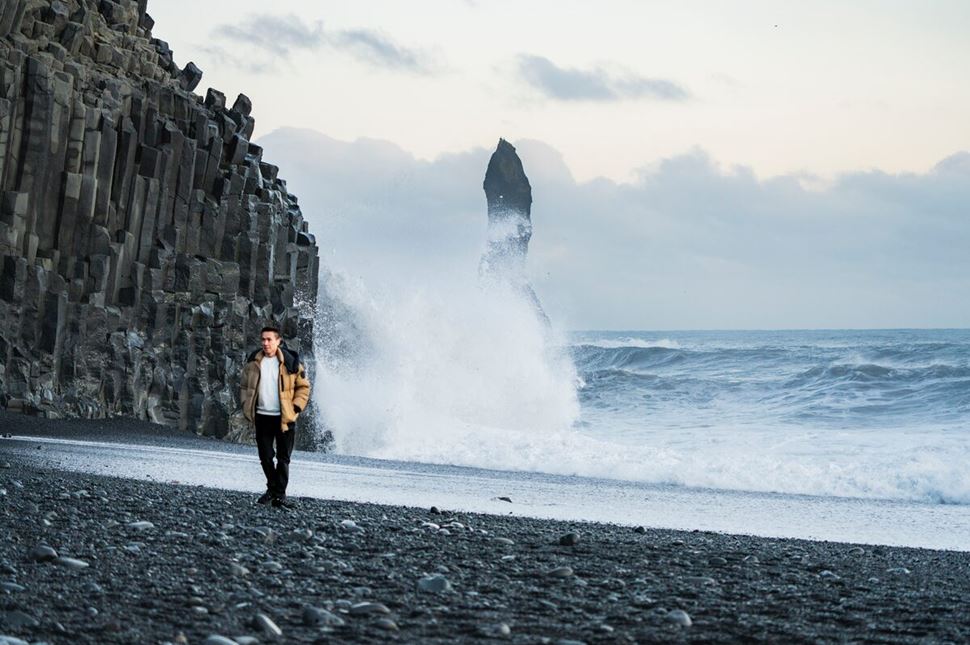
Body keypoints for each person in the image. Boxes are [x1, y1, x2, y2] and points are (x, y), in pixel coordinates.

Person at [240, 325, 311, 508]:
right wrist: (245, 405)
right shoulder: (253, 363)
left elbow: (303, 387)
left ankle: (279, 495)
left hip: (284, 418)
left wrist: (295, 408)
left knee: (283, 458)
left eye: (269, 339)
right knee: (265, 456)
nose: (265, 343)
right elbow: (243, 386)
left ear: (278, 341)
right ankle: (273, 489)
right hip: (262, 416)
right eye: (263, 339)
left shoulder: (291, 362)